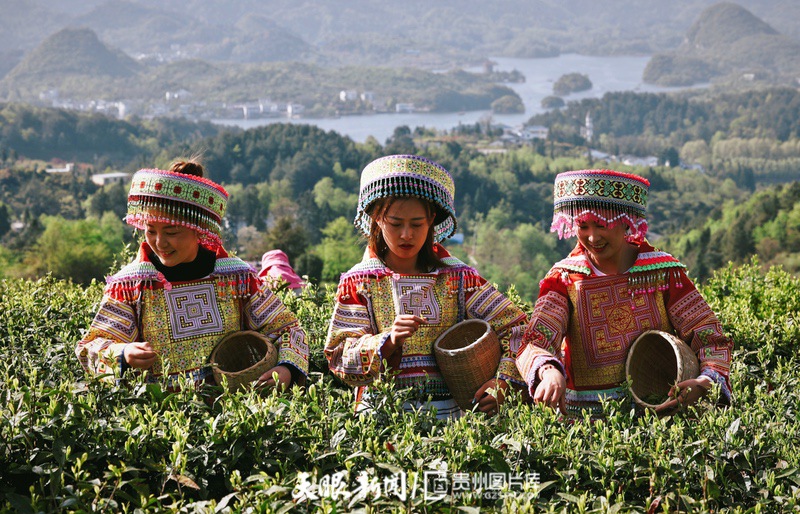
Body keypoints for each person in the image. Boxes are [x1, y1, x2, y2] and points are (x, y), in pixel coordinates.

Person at [325, 154, 528, 419]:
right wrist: (386, 342)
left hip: (451, 426)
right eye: (395, 223)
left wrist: (502, 383)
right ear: (376, 217)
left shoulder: (460, 279)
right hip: (381, 423)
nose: (406, 234)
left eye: (417, 224)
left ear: (432, 218)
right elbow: (338, 355)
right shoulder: (359, 282)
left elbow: (517, 329)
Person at [516, 169, 732, 417]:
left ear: (625, 221)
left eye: (601, 225)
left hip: (662, 420)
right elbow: (536, 340)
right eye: (583, 226)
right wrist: (549, 371)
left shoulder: (663, 272)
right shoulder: (564, 279)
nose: (592, 236)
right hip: (587, 428)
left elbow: (710, 337)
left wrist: (705, 382)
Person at [76, 160, 308, 389]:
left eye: (172, 231)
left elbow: (288, 330)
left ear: (199, 229)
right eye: (150, 231)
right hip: (161, 420)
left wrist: (286, 369)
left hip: (232, 415)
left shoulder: (237, 278)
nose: (160, 242)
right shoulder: (132, 285)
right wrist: (122, 352)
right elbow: (90, 347)